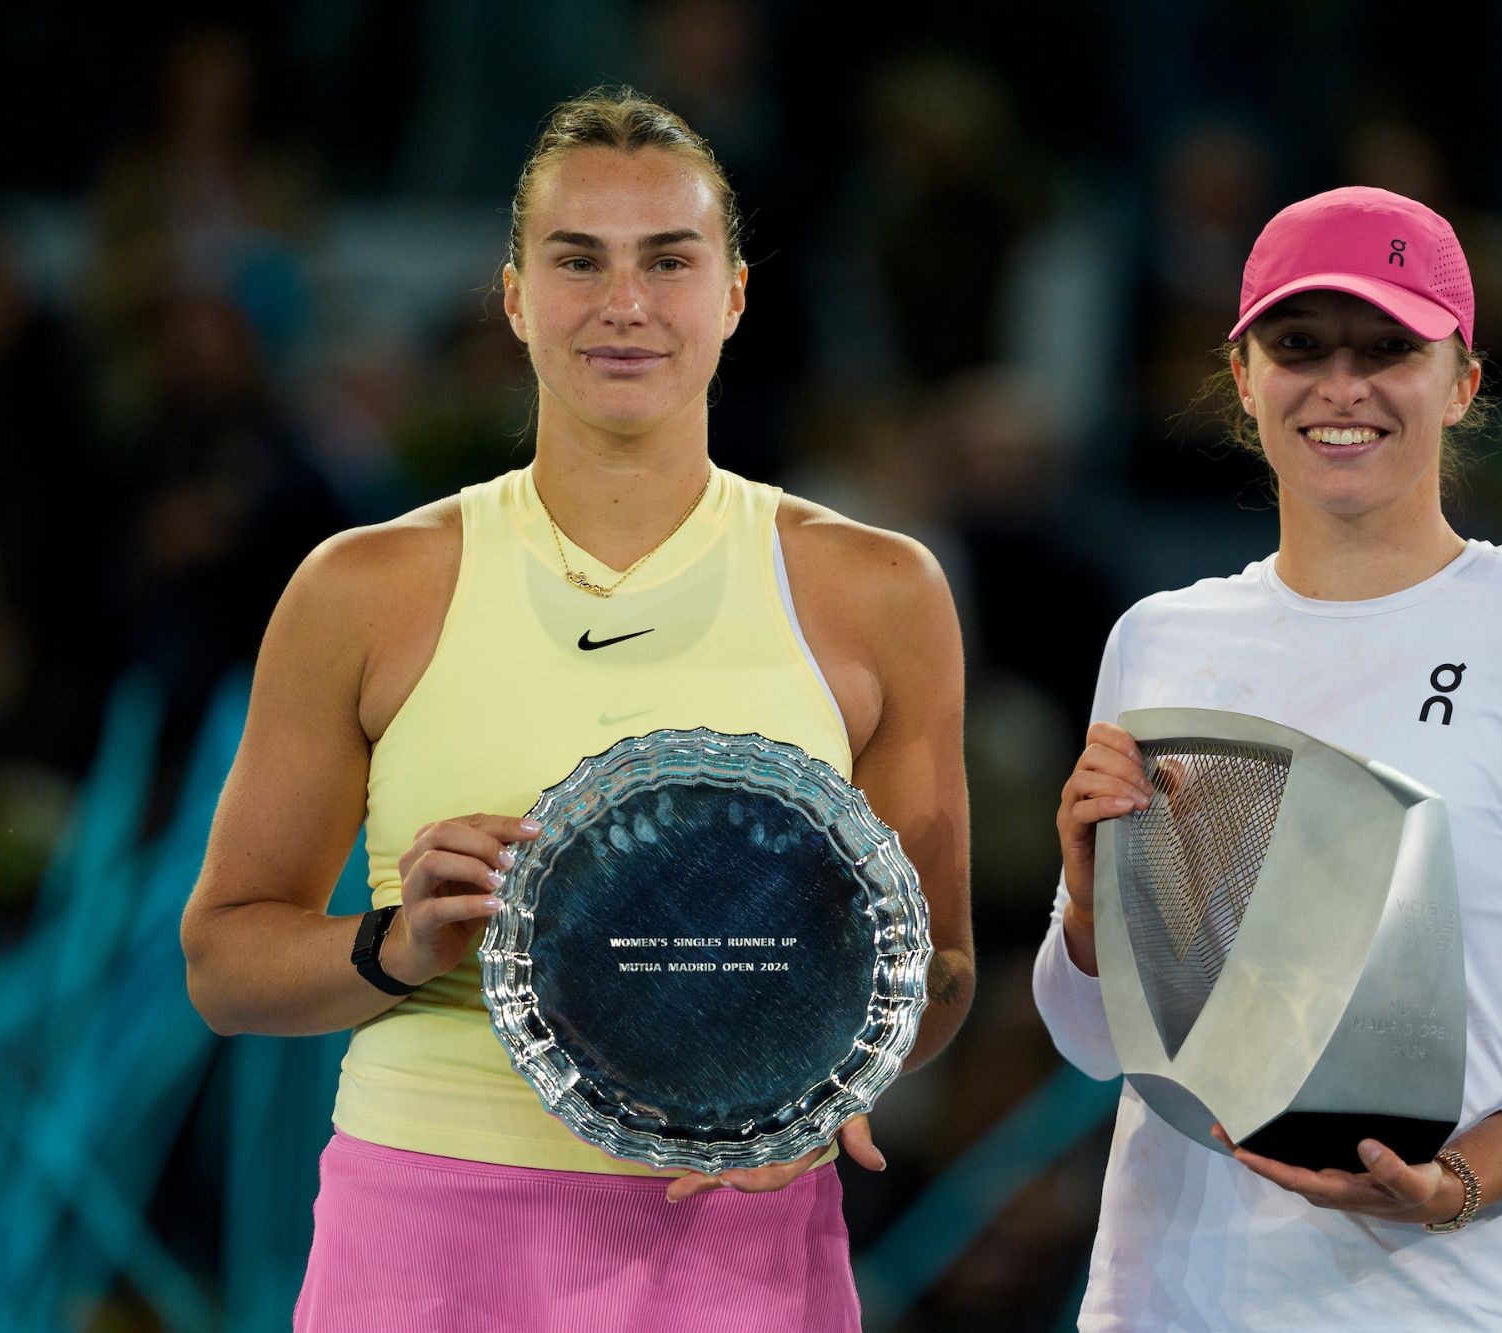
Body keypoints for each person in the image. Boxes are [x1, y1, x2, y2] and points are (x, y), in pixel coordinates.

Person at [180, 88, 975, 1333]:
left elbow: (940, 967)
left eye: (669, 260)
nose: (624, 303)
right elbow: (224, 963)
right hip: (424, 1232)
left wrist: (821, 1083)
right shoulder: (362, 588)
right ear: (512, 297)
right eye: (577, 260)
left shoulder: (879, 591)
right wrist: (395, 944)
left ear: (734, 295)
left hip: (737, 1238)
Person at [1033, 186, 1502, 1330]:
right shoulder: (1158, 640)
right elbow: (1093, 1044)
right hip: (1169, 1303)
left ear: (1462, 383)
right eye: (1299, 346)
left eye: (1388, 348)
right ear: (1242, 378)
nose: (1341, 386)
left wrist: (1458, 1183)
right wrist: (1093, 913)